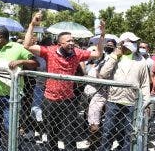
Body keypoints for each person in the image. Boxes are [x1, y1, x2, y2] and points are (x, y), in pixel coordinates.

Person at [23, 12, 105, 150]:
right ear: (60, 43)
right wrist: (32, 25)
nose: (72, 43)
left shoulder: (77, 53)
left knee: (69, 134)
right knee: (52, 132)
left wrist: (102, 36)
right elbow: (26, 46)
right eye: (68, 41)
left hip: (69, 101)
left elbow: (98, 54)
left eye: (73, 40)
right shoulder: (50, 51)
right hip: (50, 99)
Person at [0, 26, 38, 150]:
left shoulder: (17, 48)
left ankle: (15, 148)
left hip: (12, 96)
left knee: (11, 127)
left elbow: (35, 63)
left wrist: (20, 62)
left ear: (1, 37)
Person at [98, 32, 150, 151]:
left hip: (132, 103)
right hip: (113, 101)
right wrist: (115, 56)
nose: (134, 44)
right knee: (108, 131)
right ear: (122, 43)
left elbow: (145, 84)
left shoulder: (141, 60)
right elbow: (103, 74)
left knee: (129, 134)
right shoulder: (115, 57)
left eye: (134, 42)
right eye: (130, 41)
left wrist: (146, 102)